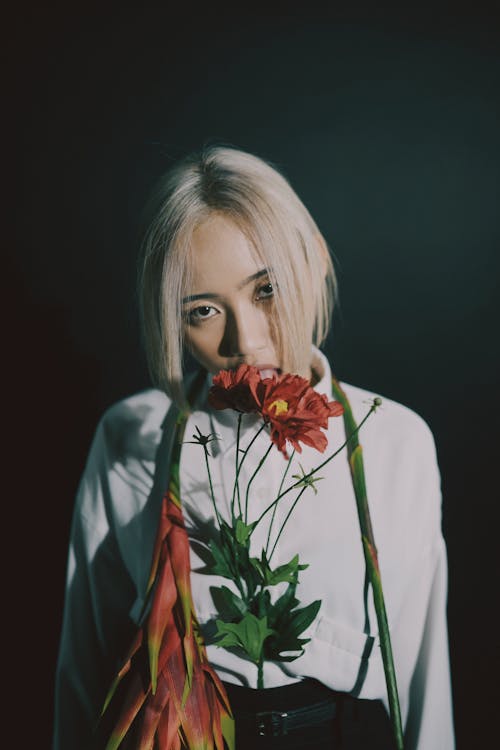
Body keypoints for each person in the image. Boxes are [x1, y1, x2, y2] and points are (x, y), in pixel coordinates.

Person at [52, 144, 455, 749]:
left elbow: (424, 670)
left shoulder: (394, 438)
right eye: (203, 309)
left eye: (266, 289)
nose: (246, 337)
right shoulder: (133, 435)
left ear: (314, 259)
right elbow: (85, 665)